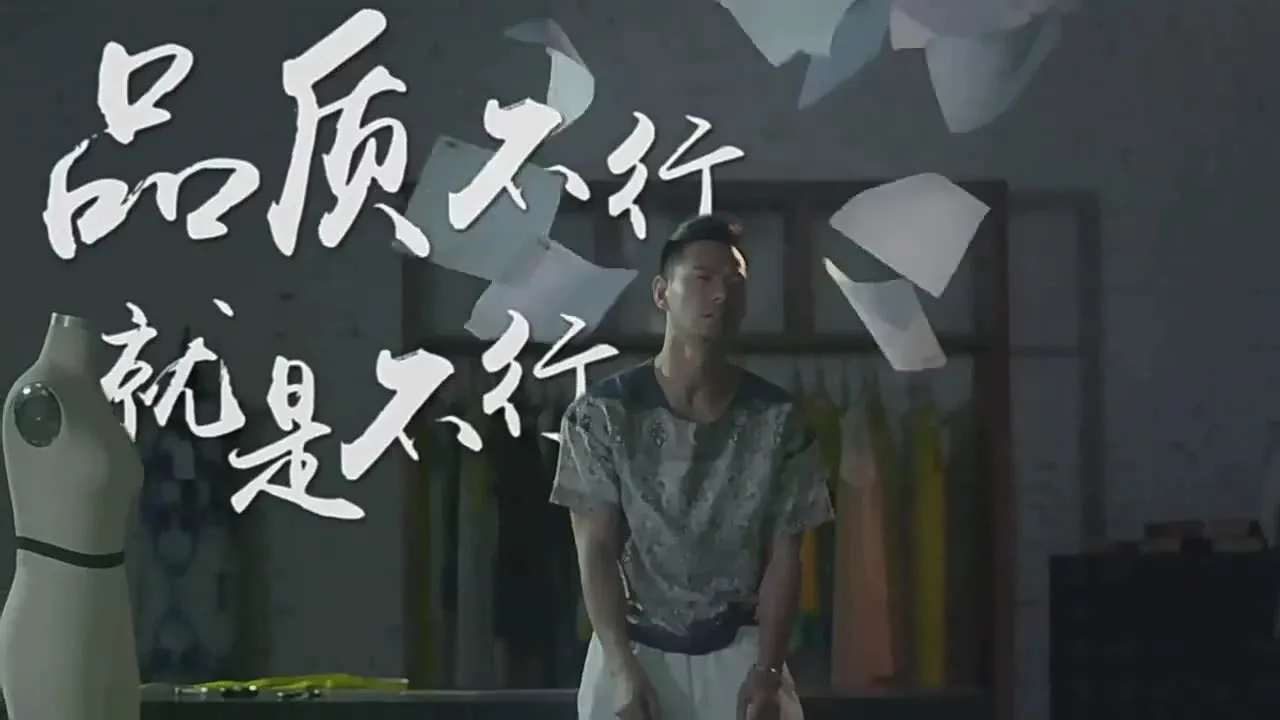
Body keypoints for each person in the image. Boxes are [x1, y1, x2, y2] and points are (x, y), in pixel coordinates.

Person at [550, 213, 835, 720]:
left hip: (742, 646)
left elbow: (786, 557)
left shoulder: (779, 419)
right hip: (633, 644)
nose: (721, 294)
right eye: (702, 279)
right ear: (662, 293)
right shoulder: (601, 415)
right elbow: (595, 550)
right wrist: (620, 668)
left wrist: (768, 669)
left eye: (734, 283)